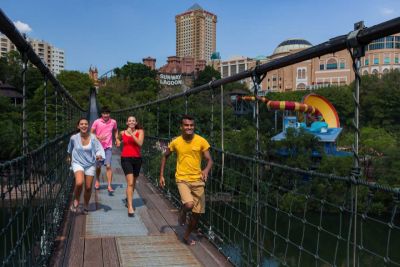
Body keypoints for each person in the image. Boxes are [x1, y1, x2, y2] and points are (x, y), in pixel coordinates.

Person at [159, 114, 213, 245]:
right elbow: (165, 156)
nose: (189, 127)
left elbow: (210, 160)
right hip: (182, 178)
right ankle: (183, 210)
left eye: (191, 125)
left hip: (198, 180)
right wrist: (161, 175)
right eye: (186, 125)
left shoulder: (201, 141)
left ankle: (186, 236)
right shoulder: (176, 142)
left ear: (194, 126)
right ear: (181, 127)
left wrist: (206, 170)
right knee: (189, 205)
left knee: (196, 215)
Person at [67, 118, 105, 214]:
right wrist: (68, 157)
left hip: (90, 163)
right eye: (81, 124)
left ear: (88, 126)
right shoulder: (73, 138)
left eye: (86, 124)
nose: (84, 125)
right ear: (78, 126)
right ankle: (76, 200)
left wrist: (99, 155)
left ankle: (86, 205)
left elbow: (98, 149)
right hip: (77, 162)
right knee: (79, 182)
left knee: (88, 187)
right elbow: (69, 149)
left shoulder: (93, 137)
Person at [116, 116, 144, 217]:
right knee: (130, 182)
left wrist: (132, 133)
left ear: (136, 122)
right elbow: (118, 140)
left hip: (137, 159)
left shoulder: (140, 131)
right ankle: (130, 207)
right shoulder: (122, 133)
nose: (131, 122)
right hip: (126, 159)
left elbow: (140, 143)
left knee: (133, 183)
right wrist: (118, 142)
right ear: (127, 123)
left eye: (133, 121)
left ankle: (128, 198)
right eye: (129, 121)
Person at [91, 106, 118, 193]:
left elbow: (116, 130)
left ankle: (109, 185)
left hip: (108, 147)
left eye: (107, 113)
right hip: (98, 148)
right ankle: (98, 180)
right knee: (98, 166)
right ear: (101, 114)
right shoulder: (97, 122)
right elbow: (91, 132)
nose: (105, 115)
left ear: (109, 114)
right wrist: (98, 137)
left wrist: (116, 138)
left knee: (108, 166)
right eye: (104, 113)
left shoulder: (113, 122)